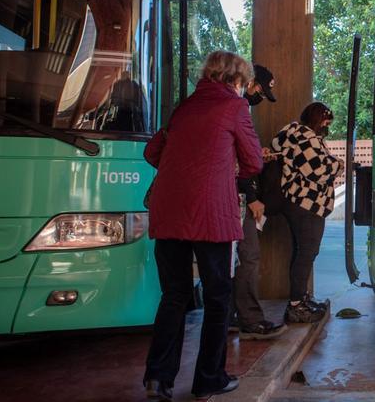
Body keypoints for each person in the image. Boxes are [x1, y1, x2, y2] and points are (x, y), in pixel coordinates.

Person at [142, 50, 262, 401]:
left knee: (174, 295)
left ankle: (157, 379)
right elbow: (254, 161)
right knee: (218, 296)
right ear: (237, 80)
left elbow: (152, 153)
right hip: (210, 214)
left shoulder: (184, 107)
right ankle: (209, 378)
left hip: (169, 211)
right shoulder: (235, 107)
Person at [271, 102, 341, 323]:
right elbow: (318, 171)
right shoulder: (306, 137)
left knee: (302, 251)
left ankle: (300, 298)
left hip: (296, 201)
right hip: (306, 202)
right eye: (326, 120)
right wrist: (338, 164)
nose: (328, 125)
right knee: (307, 251)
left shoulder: (294, 135)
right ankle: (296, 305)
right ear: (319, 119)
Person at [231, 64, 287, 340]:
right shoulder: (237, 109)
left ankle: (230, 314)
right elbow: (236, 162)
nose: (259, 98)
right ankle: (250, 319)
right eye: (259, 92)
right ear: (249, 82)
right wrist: (251, 197)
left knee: (230, 260)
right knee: (248, 257)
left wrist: (256, 155)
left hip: (225, 195)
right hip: (239, 197)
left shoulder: (218, 107)